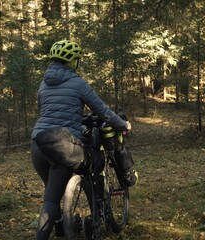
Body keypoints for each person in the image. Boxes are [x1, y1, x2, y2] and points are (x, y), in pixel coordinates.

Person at [30, 40, 131, 240]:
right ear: (72, 62)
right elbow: (102, 111)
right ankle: (91, 219)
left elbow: (44, 111)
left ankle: (61, 226)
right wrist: (123, 125)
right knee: (53, 198)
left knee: (52, 193)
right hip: (63, 145)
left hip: (37, 144)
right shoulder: (78, 83)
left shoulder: (44, 83)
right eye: (77, 59)